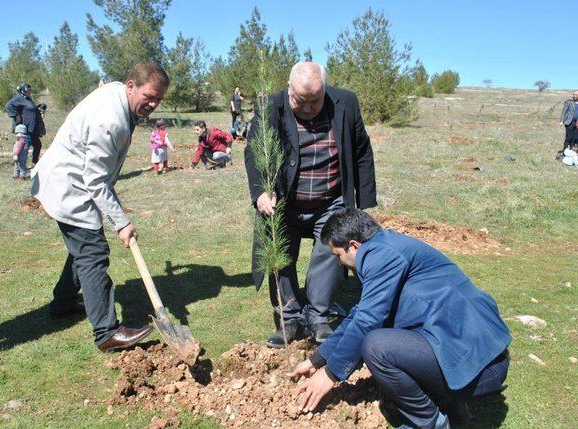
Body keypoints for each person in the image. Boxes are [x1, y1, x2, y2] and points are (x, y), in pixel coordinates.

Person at [289, 208, 512, 429]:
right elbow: (359, 314)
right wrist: (317, 360)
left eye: (338, 255)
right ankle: (452, 409)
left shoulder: (382, 256)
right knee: (387, 342)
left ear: (354, 245)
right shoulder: (383, 247)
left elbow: (367, 320)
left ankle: (430, 422)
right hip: (470, 351)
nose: (339, 263)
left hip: (481, 364)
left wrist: (329, 375)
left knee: (378, 347)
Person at [31, 62, 170, 352]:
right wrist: (121, 222)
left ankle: (64, 302)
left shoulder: (117, 92)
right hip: (69, 184)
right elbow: (95, 181)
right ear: (130, 86)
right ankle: (106, 333)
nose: (154, 105)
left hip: (71, 178)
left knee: (82, 247)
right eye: (149, 97)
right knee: (93, 251)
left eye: (159, 99)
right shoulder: (111, 121)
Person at [244, 61, 376, 348]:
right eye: (299, 101)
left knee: (330, 254)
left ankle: (318, 317)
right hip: (283, 201)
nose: (306, 108)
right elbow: (254, 151)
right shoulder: (271, 105)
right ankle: (289, 319)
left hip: (330, 200)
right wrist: (259, 193)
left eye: (314, 101)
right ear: (289, 89)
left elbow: (362, 149)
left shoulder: (346, 103)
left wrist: (362, 203)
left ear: (325, 91)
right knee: (281, 258)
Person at [5, 83, 43, 163]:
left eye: (30, 90)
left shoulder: (27, 98)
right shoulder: (18, 97)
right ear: (23, 90)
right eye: (27, 90)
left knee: (37, 145)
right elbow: (8, 105)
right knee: (24, 147)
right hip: (25, 127)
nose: (29, 91)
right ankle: (20, 169)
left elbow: (30, 108)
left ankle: (34, 163)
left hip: (31, 127)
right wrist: (16, 116)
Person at [558, 90, 578, 155]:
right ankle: (565, 151)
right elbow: (564, 111)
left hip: (577, 123)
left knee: (574, 138)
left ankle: (571, 152)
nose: (574, 96)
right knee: (569, 137)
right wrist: (561, 120)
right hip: (570, 122)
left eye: (576, 94)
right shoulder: (569, 102)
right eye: (574, 94)